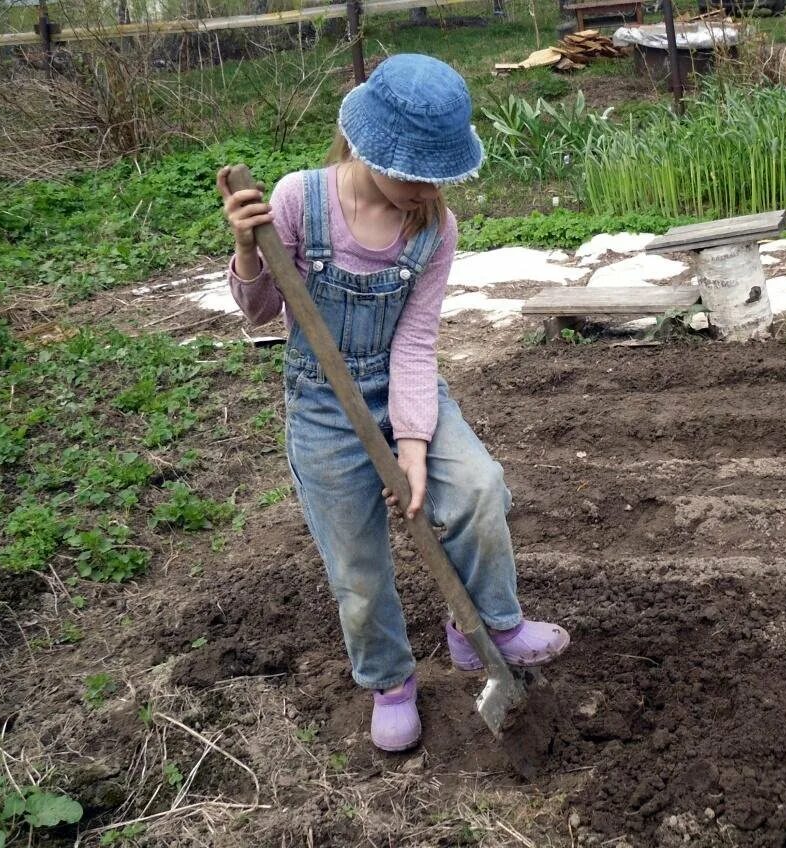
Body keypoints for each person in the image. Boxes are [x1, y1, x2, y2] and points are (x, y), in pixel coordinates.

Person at [216, 54, 570, 753]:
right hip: (321, 403)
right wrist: (248, 252)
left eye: (435, 174)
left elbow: (414, 344)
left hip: (400, 383)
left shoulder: (434, 228)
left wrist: (412, 442)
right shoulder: (296, 200)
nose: (422, 189)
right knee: (356, 562)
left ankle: (487, 628)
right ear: (367, 145)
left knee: (476, 487)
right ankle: (389, 681)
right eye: (411, 172)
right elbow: (259, 313)